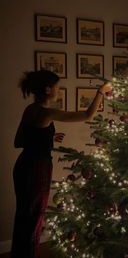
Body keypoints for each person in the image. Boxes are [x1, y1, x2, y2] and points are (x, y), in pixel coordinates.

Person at [10, 69, 111, 258]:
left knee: (23, 216)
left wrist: (47, 137)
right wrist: (101, 92)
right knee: (35, 219)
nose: (58, 90)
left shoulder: (29, 110)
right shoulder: (48, 113)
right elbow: (88, 115)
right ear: (48, 89)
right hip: (37, 169)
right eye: (57, 87)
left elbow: (19, 141)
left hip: (23, 165)